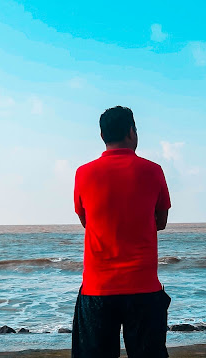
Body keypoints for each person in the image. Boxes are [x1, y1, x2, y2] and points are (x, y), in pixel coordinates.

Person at [71, 106, 172, 358]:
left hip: (98, 288)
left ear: (102, 135)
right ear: (131, 132)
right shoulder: (153, 170)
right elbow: (161, 221)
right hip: (144, 287)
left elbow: (86, 220)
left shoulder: (83, 173)